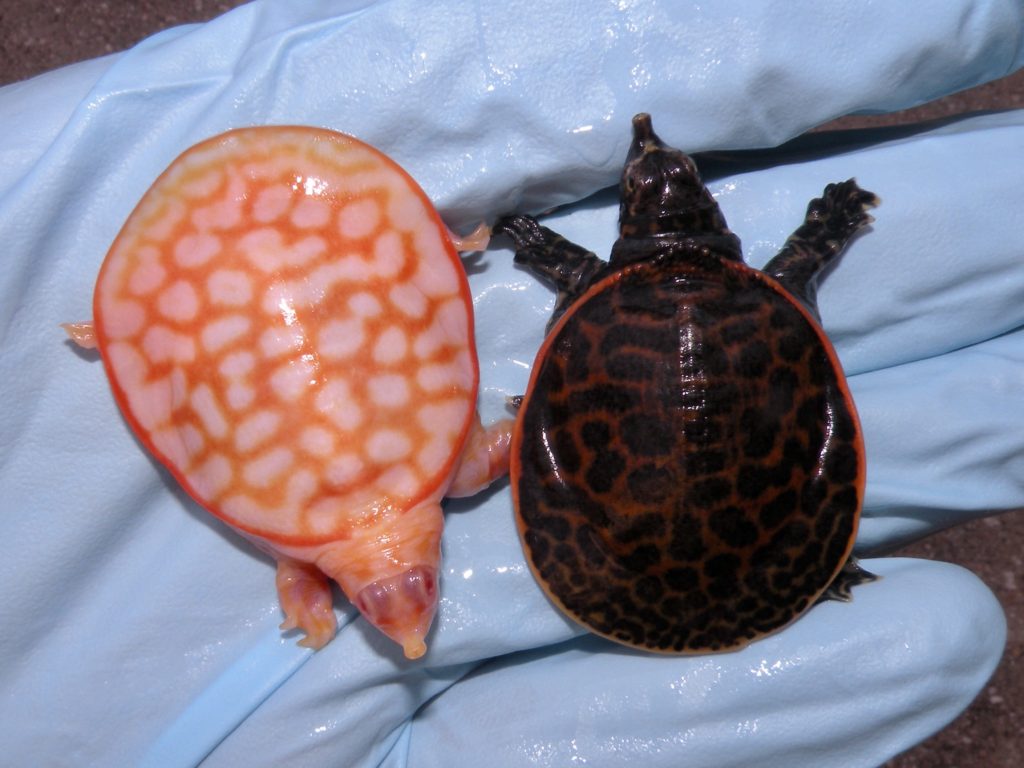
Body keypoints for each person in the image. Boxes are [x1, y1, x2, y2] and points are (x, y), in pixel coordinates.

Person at [1, 1, 1021, 765]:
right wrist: (829, 217)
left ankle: (808, 565)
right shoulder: (741, 293)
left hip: (567, 479)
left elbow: (567, 322)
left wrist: (526, 244)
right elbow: (786, 278)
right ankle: (808, 564)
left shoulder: (582, 297)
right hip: (560, 419)